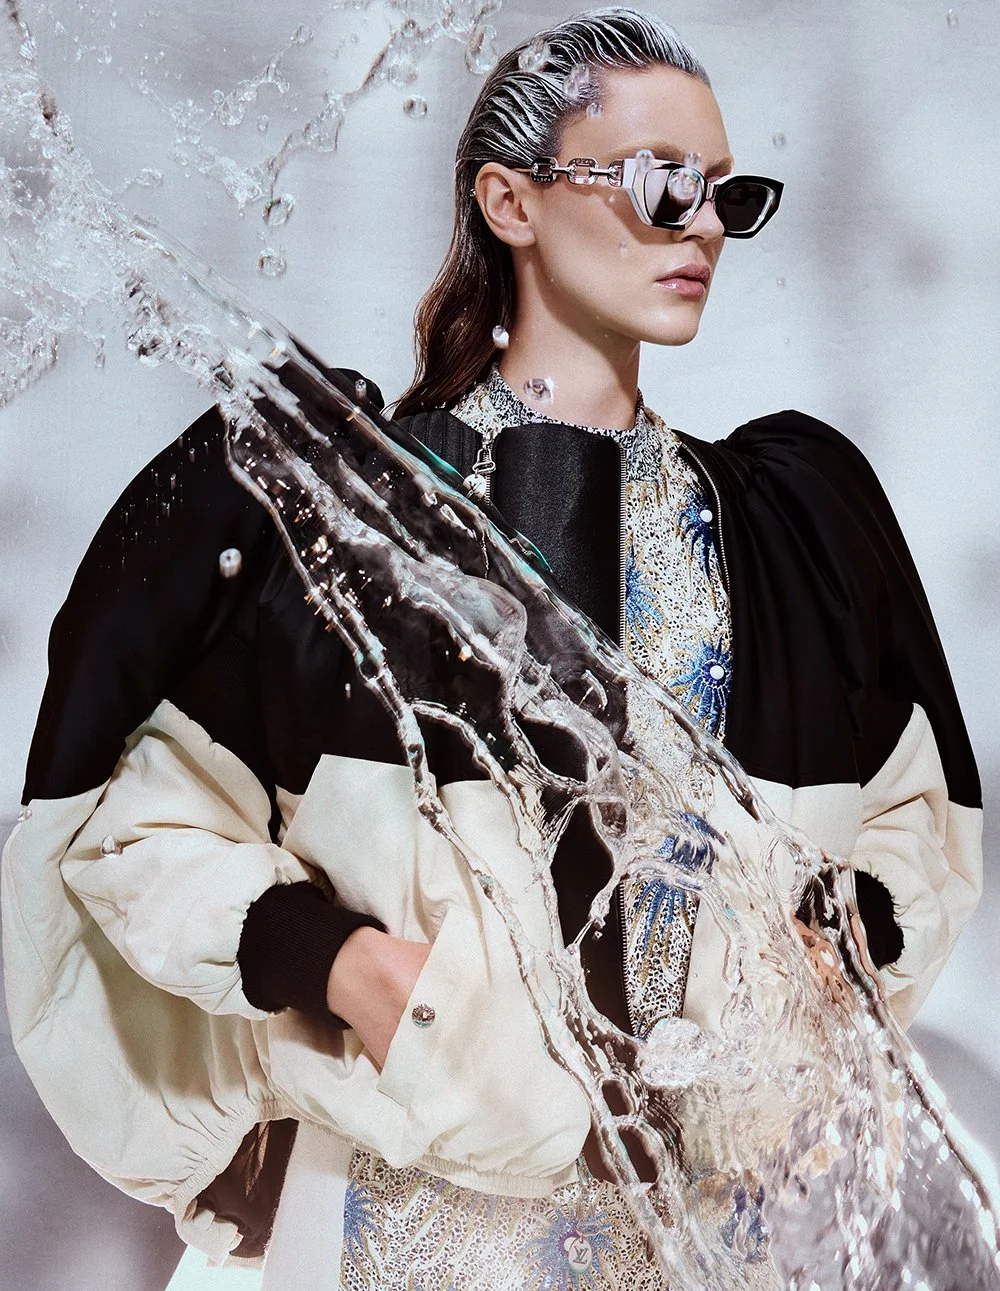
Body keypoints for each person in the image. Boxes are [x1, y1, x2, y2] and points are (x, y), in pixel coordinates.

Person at [1, 7, 983, 1289]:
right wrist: (349, 968)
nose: (700, 227)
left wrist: (828, 943)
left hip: (703, 1239)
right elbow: (137, 827)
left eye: (724, 195)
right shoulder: (342, 510)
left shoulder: (789, 530)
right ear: (509, 202)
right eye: (662, 183)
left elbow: (911, 821)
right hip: (394, 1220)